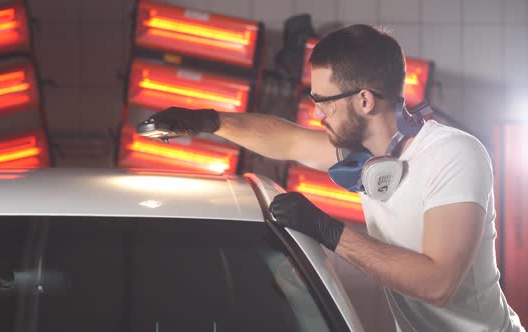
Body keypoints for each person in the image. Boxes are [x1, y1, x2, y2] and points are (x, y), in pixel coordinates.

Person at [143, 24, 525, 332]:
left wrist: (329, 231)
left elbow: (439, 284)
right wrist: (208, 121)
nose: (316, 113)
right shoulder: (370, 155)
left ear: (364, 100)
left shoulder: (453, 154)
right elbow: (287, 139)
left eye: (324, 102)